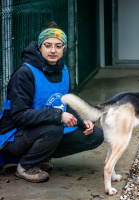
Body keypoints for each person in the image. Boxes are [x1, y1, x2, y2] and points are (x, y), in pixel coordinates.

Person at [0, 22, 104, 182]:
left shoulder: (62, 70)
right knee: (54, 128)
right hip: (13, 137)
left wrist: (83, 120)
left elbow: (65, 103)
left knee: (96, 135)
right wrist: (58, 115)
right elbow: (20, 116)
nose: (53, 50)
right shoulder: (25, 73)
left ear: (64, 48)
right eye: (47, 45)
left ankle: (40, 157)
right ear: (40, 48)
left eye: (58, 45)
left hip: (44, 128)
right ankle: (26, 166)